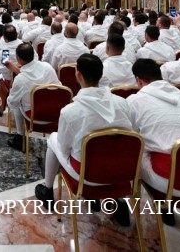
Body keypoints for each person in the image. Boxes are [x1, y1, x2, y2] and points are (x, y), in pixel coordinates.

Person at [34, 54, 133, 216]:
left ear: (78, 75)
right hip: (121, 169)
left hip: (86, 173)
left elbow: (64, 148)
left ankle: (47, 190)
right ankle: (121, 205)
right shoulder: (123, 103)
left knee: (53, 139)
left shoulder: (70, 111)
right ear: (101, 75)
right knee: (116, 146)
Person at [128, 58, 180, 197]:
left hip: (174, 180)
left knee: (133, 149)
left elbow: (131, 137)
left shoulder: (134, 101)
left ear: (138, 81)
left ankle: (146, 205)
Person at [1, 43, 60, 147]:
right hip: (56, 113)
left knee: (17, 102)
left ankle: (20, 137)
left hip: (34, 116)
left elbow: (12, 103)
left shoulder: (20, 79)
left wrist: (11, 91)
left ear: (18, 59)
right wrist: (16, 70)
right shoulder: (47, 67)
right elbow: (58, 87)